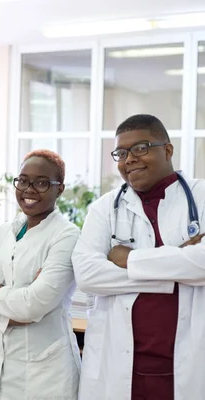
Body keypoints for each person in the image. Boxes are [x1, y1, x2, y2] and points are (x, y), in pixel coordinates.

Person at [72, 114, 205, 399]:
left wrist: (129, 259)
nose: (129, 159)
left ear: (167, 150)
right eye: (121, 152)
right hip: (119, 368)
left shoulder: (202, 196)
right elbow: (87, 275)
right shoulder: (104, 209)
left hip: (188, 364)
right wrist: (174, 270)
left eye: (141, 148)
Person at [0, 149, 81, 400]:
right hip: (1, 367)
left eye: (42, 182)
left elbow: (34, 305)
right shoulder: (5, 232)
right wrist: (13, 309)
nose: (29, 189)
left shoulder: (67, 235)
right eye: (23, 180)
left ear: (60, 189)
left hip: (47, 372)